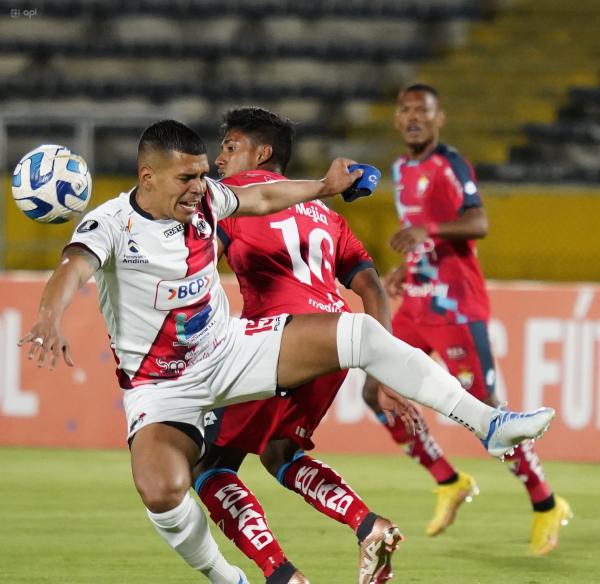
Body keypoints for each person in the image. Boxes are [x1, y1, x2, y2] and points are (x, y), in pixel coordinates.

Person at [19, 119, 555, 583]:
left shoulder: (207, 199)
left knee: (359, 333)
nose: (198, 186)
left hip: (227, 351)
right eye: (186, 177)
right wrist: (48, 316)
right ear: (148, 177)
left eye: (203, 173)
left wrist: (324, 185)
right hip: (161, 389)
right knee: (163, 492)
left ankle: (489, 423)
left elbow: (262, 197)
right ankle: (227, 576)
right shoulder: (111, 224)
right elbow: (73, 270)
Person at [194, 106, 418, 584]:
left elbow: (196, 266)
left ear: (262, 153)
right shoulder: (327, 216)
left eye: (230, 147)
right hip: (333, 344)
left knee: (207, 465)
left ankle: (281, 576)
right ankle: (369, 526)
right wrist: (383, 370)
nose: (219, 159)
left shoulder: (230, 198)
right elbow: (373, 289)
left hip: (275, 344)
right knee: (279, 454)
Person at [374, 83, 572, 554]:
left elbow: (478, 221)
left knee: (487, 409)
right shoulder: (401, 168)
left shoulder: (450, 163)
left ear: (440, 119)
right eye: (405, 110)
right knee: (375, 387)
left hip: (458, 307)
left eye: (423, 111)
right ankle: (447, 479)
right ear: (397, 119)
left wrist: (429, 229)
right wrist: (406, 267)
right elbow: (425, 238)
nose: (413, 117)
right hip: (419, 303)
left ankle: (546, 504)